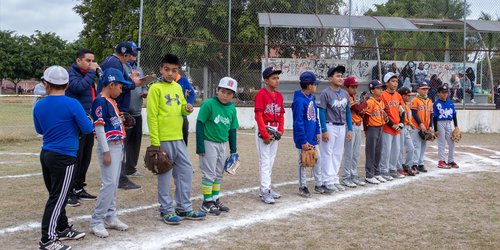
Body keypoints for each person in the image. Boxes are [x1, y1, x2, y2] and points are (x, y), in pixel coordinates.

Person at [34, 66, 93, 250]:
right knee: (58, 198)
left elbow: (40, 130)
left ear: (46, 84)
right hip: (65, 156)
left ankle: (61, 227)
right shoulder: (73, 104)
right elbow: (87, 129)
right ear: (67, 85)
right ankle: (47, 239)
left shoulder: (40, 104)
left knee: (56, 195)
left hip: (47, 154)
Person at [147, 54, 206, 225]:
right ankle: (165, 210)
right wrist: (155, 143)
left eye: (174, 70)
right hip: (163, 139)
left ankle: (184, 207)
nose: (170, 73)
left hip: (178, 137)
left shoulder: (177, 88)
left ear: (178, 71)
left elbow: (181, 108)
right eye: (167, 69)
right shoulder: (155, 89)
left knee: (186, 171)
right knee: (164, 173)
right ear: (161, 69)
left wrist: (187, 108)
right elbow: (152, 116)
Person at [89, 68, 132, 238]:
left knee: (113, 184)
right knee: (108, 184)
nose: (121, 90)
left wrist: (121, 121)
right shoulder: (100, 101)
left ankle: (110, 216)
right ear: (111, 84)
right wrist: (106, 151)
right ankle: (96, 221)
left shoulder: (111, 101)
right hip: (109, 147)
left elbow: (109, 123)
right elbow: (98, 127)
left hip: (117, 145)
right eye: (120, 87)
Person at [100, 41, 145, 190]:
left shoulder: (113, 61)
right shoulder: (114, 63)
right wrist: (135, 84)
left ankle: (118, 175)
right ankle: (119, 178)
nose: (133, 56)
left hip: (114, 106)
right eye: (132, 53)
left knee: (118, 143)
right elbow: (117, 85)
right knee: (117, 143)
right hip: (114, 106)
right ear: (125, 54)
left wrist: (131, 79)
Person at [196, 77, 239, 215]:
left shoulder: (232, 109)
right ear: (217, 90)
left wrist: (233, 150)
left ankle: (215, 199)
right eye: (223, 91)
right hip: (209, 142)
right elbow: (200, 124)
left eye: (230, 93)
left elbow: (232, 130)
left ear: (233, 95)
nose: (226, 95)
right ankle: (206, 202)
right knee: (209, 173)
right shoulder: (209, 104)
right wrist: (200, 146)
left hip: (222, 144)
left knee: (219, 174)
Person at [65, 49, 100, 206]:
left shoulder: (89, 74)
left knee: (85, 156)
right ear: (78, 60)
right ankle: (69, 191)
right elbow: (78, 87)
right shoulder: (70, 73)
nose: (91, 64)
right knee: (76, 157)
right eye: (88, 60)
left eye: (93, 61)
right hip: (75, 122)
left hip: (88, 121)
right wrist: (91, 73)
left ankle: (79, 187)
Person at [318, 65, 352, 192]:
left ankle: (334, 179)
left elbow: (348, 111)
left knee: (337, 154)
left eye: (341, 76)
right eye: (337, 76)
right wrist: (324, 130)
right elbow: (321, 112)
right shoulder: (325, 93)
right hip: (330, 125)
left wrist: (350, 129)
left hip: (342, 126)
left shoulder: (344, 94)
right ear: (330, 78)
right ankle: (327, 180)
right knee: (327, 153)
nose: (340, 78)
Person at [254, 67, 285, 204]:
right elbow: (258, 115)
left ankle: (266, 188)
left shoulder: (279, 95)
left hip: (275, 128)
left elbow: (282, 114)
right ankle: (265, 190)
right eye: (273, 78)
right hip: (265, 127)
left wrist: (281, 130)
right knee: (265, 160)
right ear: (266, 80)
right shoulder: (261, 94)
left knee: (270, 160)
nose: (277, 80)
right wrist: (265, 134)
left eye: (278, 77)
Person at [292, 71, 324, 198]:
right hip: (303, 138)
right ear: (309, 85)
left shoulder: (311, 98)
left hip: (312, 135)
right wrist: (303, 141)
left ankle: (318, 184)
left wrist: (317, 131)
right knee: (303, 162)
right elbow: (298, 122)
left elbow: (315, 117)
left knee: (317, 159)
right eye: (314, 84)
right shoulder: (299, 101)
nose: (316, 86)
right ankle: (303, 186)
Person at [121, 41, 146, 179]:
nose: (135, 54)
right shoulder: (121, 67)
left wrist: (144, 90)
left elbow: (142, 85)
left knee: (136, 142)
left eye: (137, 52)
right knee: (124, 142)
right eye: (133, 51)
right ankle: (121, 169)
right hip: (125, 111)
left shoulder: (139, 69)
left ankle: (131, 168)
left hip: (137, 110)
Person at [379, 72, 406, 181]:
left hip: (397, 128)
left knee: (397, 149)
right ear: (386, 83)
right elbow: (383, 113)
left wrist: (401, 123)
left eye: (396, 81)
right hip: (387, 128)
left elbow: (402, 111)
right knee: (386, 150)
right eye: (392, 81)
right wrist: (392, 125)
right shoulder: (382, 95)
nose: (395, 83)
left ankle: (392, 169)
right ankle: (384, 170)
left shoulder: (398, 95)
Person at [341, 76, 367, 188]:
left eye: (356, 87)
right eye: (352, 87)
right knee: (349, 153)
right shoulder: (346, 96)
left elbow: (359, 112)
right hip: (349, 126)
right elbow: (356, 108)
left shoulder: (352, 96)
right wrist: (366, 102)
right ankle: (346, 176)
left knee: (355, 153)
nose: (355, 89)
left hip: (357, 125)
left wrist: (362, 110)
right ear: (346, 87)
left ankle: (354, 174)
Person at [363, 80, 386, 184]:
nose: (381, 90)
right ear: (372, 90)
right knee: (371, 152)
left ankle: (377, 173)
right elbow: (366, 117)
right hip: (372, 128)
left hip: (380, 127)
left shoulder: (381, 101)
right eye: (378, 88)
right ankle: (369, 174)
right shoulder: (370, 102)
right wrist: (366, 129)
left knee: (378, 152)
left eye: (381, 88)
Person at [433, 85, 460, 169]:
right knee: (441, 143)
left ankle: (451, 161)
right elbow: (434, 117)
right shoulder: (436, 103)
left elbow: (454, 114)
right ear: (438, 93)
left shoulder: (450, 102)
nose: (444, 94)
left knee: (451, 142)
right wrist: (436, 129)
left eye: (446, 92)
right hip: (440, 123)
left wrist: (456, 126)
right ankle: (441, 161)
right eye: (442, 92)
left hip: (449, 123)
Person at [410, 81, 434, 173]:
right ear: (418, 89)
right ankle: (414, 164)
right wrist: (420, 124)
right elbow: (414, 113)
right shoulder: (415, 100)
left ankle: (420, 163)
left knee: (423, 146)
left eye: (426, 89)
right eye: (423, 89)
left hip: (426, 128)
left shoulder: (429, 100)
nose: (425, 90)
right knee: (416, 146)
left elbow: (431, 114)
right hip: (417, 127)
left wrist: (430, 126)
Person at [396, 87, 417, 176]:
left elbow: (407, 117)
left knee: (411, 148)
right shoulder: (399, 105)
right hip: (401, 127)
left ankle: (407, 166)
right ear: (402, 96)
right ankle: (399, 167)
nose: (409, 97)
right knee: (399, 149)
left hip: (406, 128)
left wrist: (410, 123)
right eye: (407, 95)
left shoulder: (407, 105)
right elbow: (400, 118)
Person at [176, 71, 195, 145]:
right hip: (169, 116)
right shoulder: (162, 81)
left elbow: (192, 93)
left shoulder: (183, 80)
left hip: (182, 115)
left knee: (184, 136)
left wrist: (188, 104)